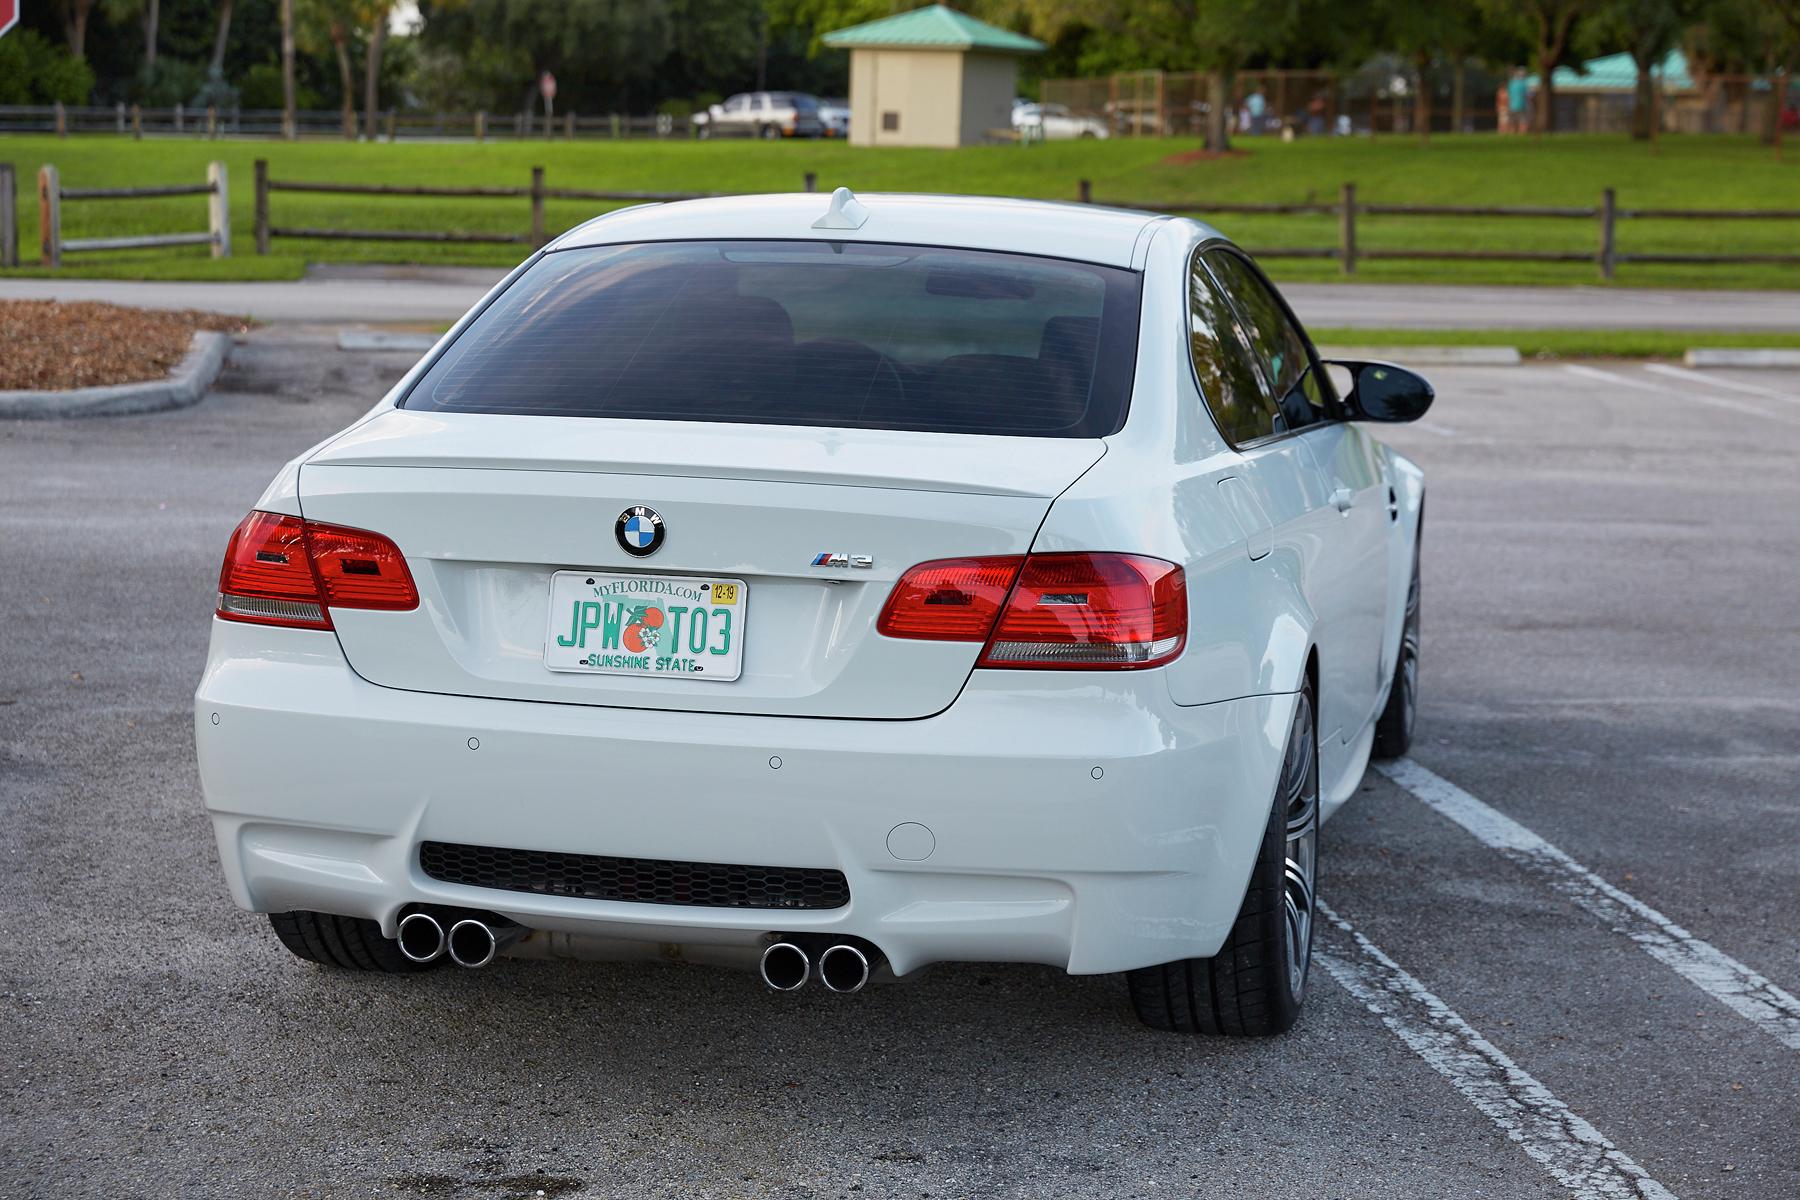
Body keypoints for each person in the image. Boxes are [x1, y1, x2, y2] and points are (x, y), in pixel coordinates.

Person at [1507, 68, 1530, 134]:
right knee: (1523, 121)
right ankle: (1522, 133)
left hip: (1512, 106)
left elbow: (1509, 95)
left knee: (1513, 121)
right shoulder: (1523, 83)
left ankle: (1513, 133)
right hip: (1522, 105)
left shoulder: (1511, 83)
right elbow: (1527, 95)